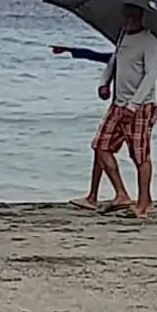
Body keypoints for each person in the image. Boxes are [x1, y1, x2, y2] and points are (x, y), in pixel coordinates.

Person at [91, 4, 157, 217]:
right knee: (101, 146)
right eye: (125, 16)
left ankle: (142, 204)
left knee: (140, 156)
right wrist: (104, 83)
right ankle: (121, 193)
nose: (128, 20)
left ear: (142, 17)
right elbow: (113, 63)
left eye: (132, 16)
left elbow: (150, 76)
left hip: (140, 107)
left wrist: (134, 105)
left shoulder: (150, 41)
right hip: (118, 104)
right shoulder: (122, 37)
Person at [53, 45, 112, 206]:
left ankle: (136, 199)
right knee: (101, 147)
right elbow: (98, 56)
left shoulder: (139, 56)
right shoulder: (121, 55)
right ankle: (93, 196)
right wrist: (70, 50)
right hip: (119, 108)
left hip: (132, 108)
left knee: (136, 156)